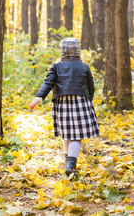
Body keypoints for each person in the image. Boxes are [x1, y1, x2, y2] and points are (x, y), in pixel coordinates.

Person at [29, 38, 100, 175]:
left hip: (62, 103)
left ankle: (68, 159)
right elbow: (91, 87)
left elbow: (48, 83)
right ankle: (71, 163)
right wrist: (88, 101)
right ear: (78, 51)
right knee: (76, 136)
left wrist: (39, 97)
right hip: (81, 102)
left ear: (63, 52)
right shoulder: (84, 67)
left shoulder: (56, 66)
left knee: (66, 134)